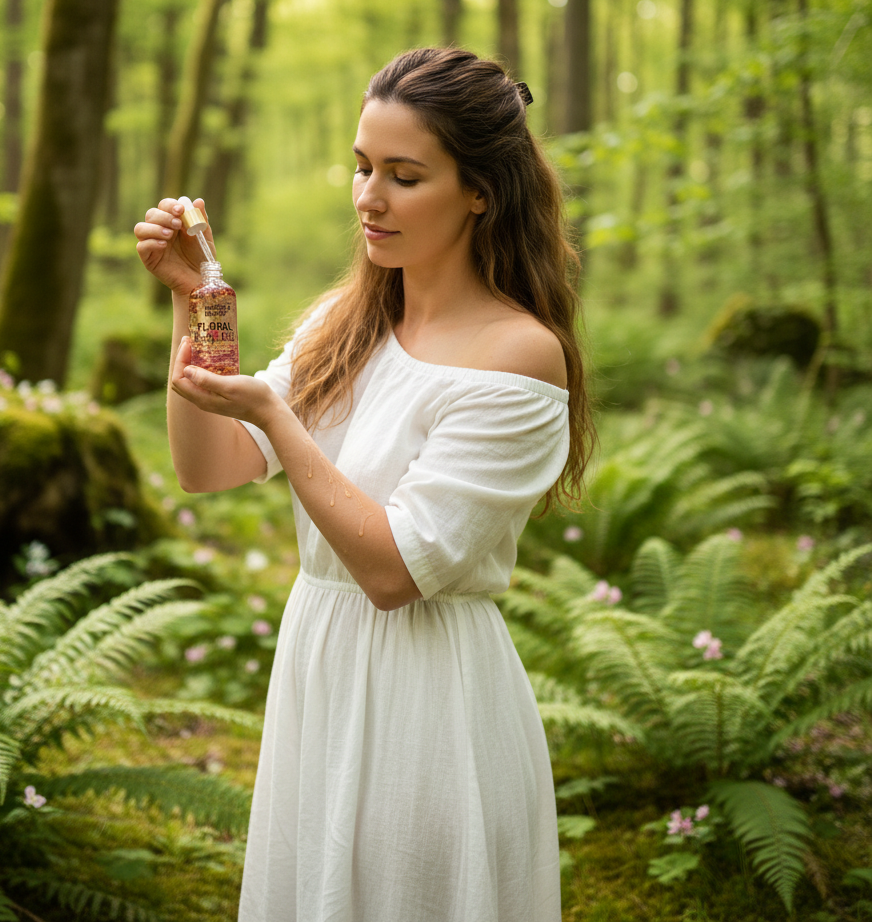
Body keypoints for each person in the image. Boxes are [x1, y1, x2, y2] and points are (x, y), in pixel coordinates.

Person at [134, 47, 594, 922]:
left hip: (431, 697)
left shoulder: (519, 356)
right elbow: (207, 466)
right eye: (361, 167)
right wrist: (195, 301)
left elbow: (393, 571)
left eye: (404, 175)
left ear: (480, 192)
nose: (369, 198)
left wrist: (278, 420)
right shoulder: (343, 325)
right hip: (321, 666)